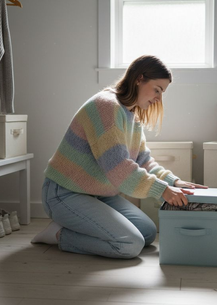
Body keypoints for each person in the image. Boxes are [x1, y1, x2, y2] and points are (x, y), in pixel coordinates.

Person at [31, 55, 206, 259]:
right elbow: (119, 168)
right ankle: (58, 234)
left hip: (99, 194)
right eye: (157, 89)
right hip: (65, 194)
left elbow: (143, 161)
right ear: (139, 79)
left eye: (162, 93)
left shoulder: (131, 114)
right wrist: (163, 190)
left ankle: (83, 223)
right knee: (130, 244)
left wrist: (173, 181)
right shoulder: (106, 106)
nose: (158, 98)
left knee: (148, 233)